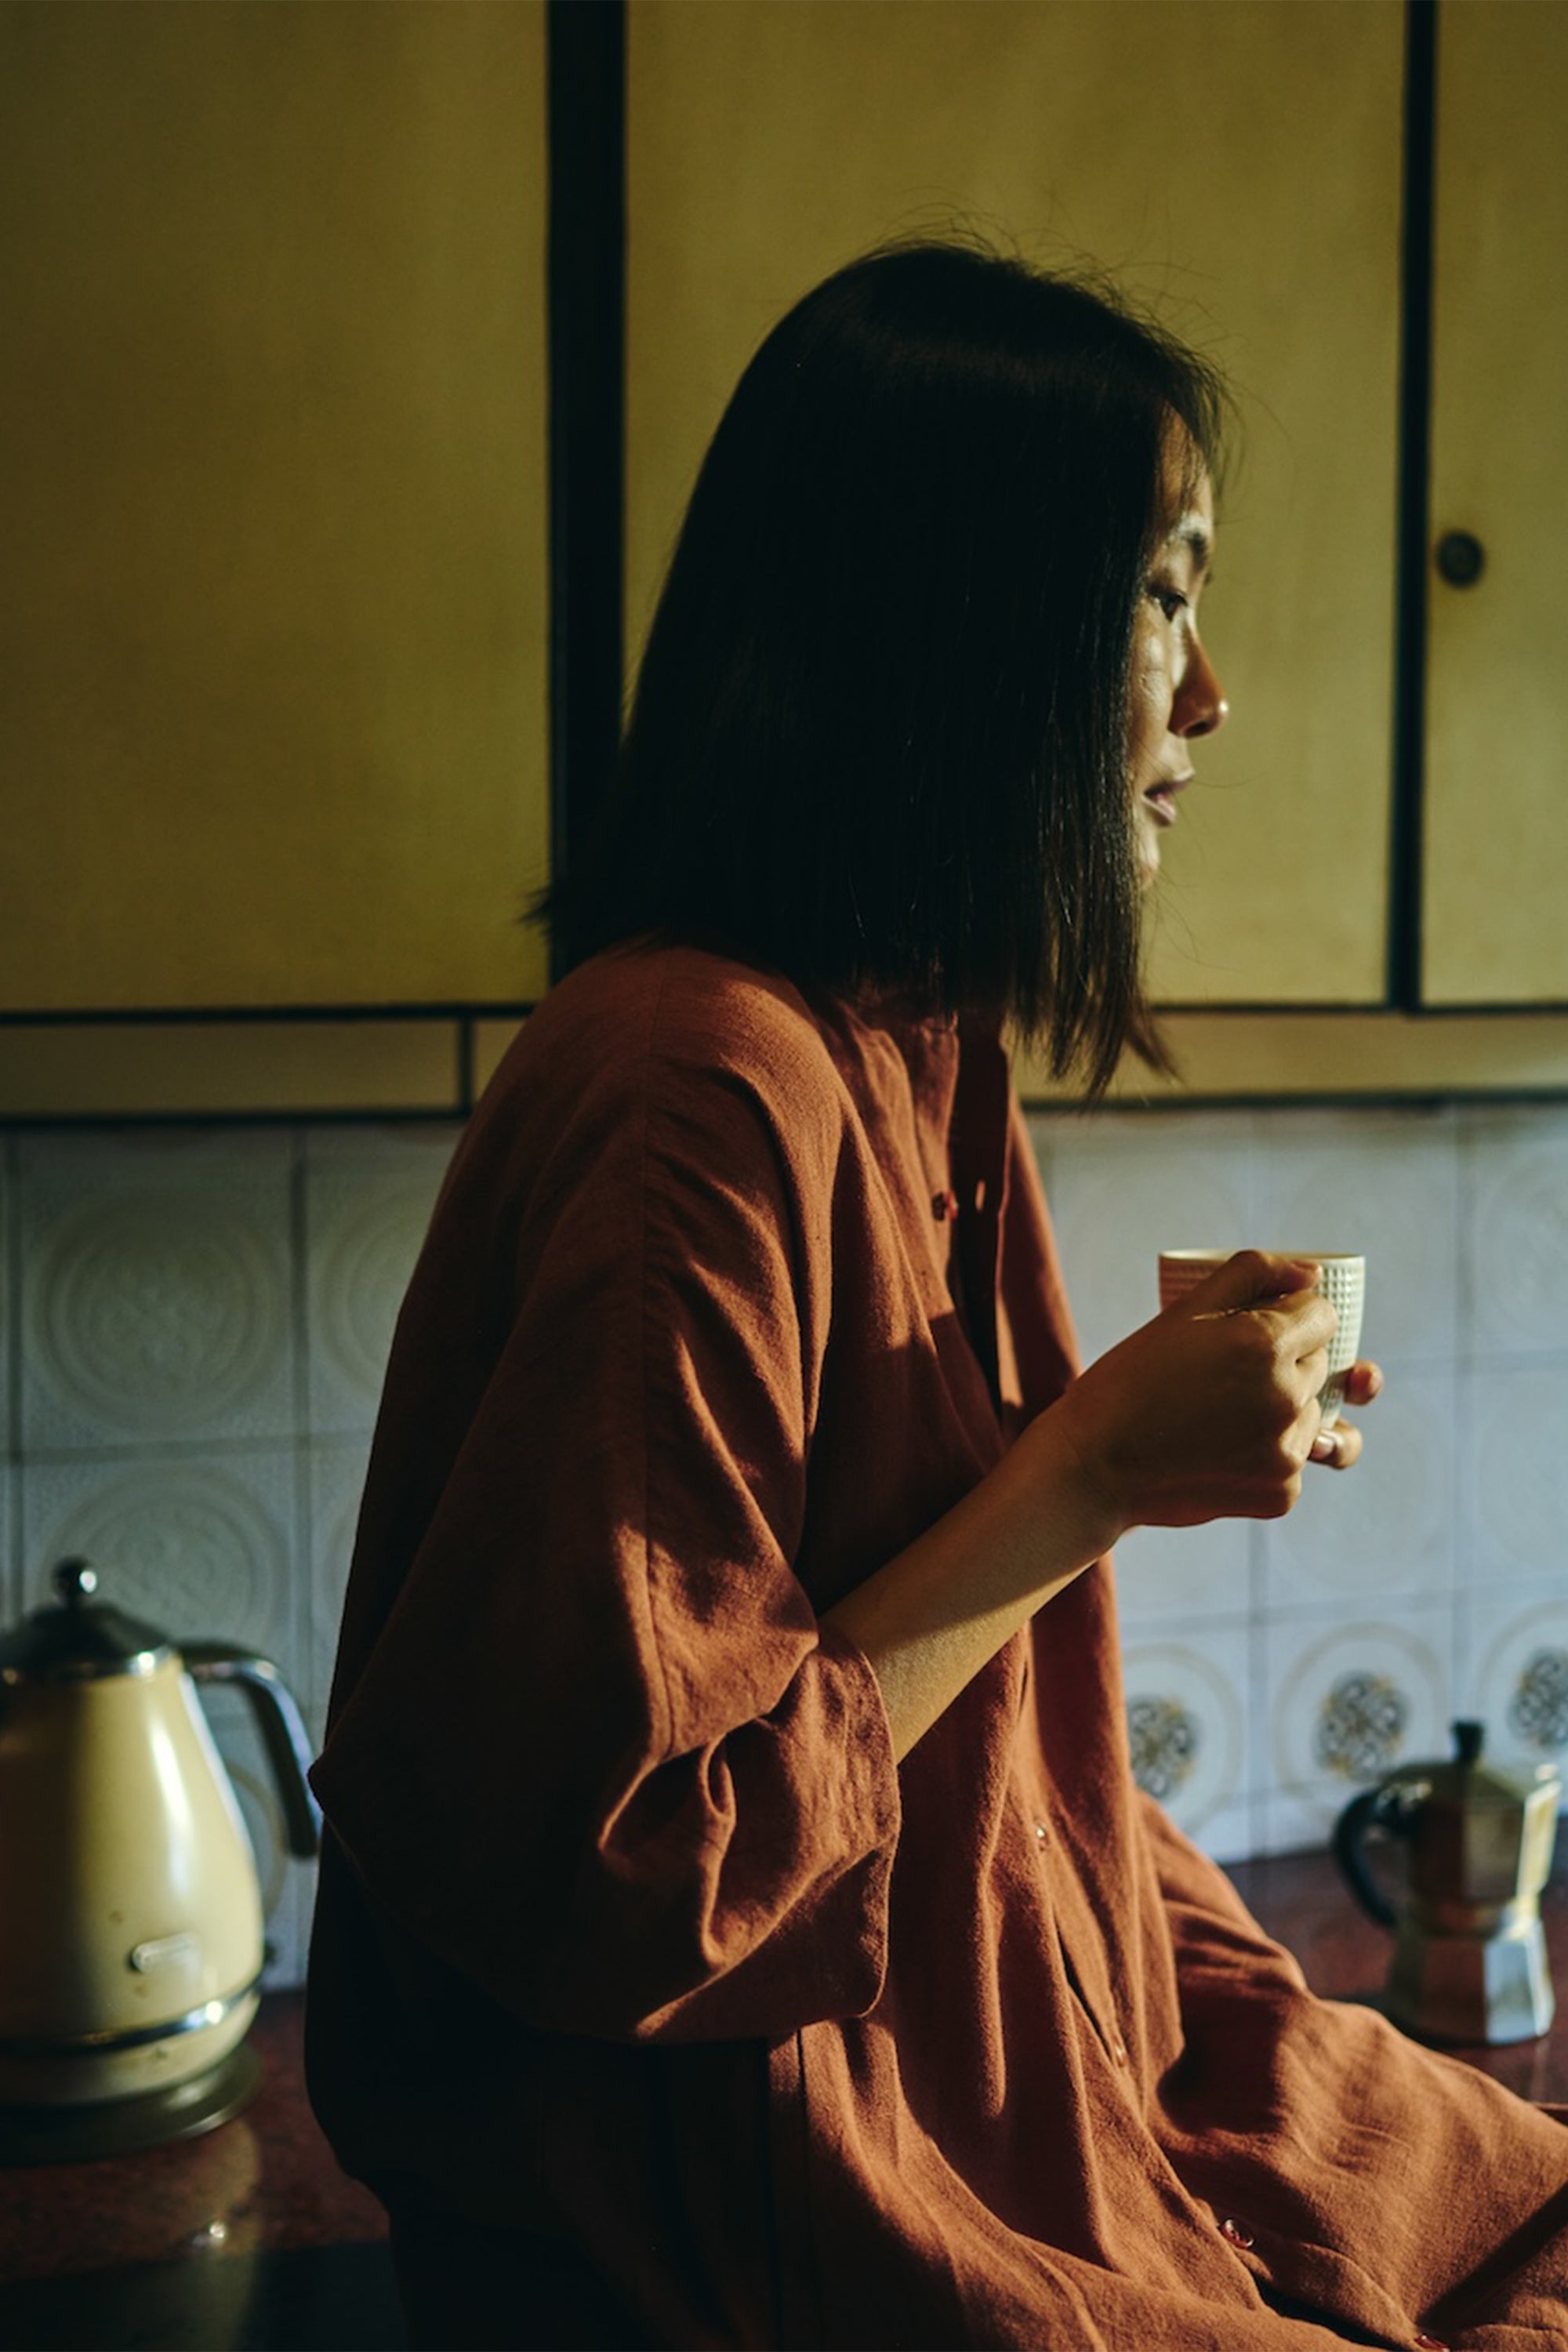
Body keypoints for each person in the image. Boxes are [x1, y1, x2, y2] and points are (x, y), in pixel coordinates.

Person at [305, 241, 1568, 2350]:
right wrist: (1092, 1470)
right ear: (965, 622)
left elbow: (987, 1754)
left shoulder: (911, 1045)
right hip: (747, 2216)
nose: (1210, 693)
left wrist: (1219, 2000)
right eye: (1165, 592)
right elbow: (633, 1872)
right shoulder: (696, 1089)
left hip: (971, 2079)